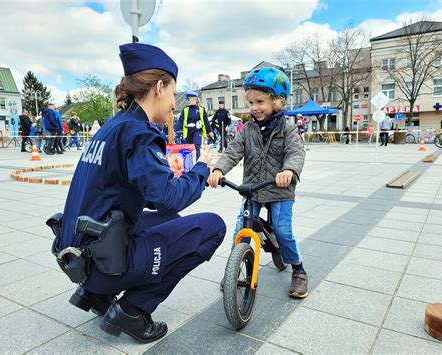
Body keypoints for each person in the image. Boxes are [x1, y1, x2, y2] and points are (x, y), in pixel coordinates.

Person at [55, 43, 225, 343]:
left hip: (79, 254)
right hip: (102, 261)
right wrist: (200, 169)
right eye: (173, 93)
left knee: (169, 218)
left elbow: (135, 191)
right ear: (159, 88)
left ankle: (94, 295)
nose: (175, 103)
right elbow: (168, 196)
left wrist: (168, 177)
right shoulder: (139, 133)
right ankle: (133, 310)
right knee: (211, 227)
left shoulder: (113, 128)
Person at [208, 67, 307, 299]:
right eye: (251, 102)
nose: (254, 107)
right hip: (253, 189)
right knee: (240, 230)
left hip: (279, 188)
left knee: (283, 231)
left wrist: (289, 170)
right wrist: (219, 168)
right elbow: (233, 151)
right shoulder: (248, 129)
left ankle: (298, 269)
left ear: (278, 100)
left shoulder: (288, 128)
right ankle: (234, 270)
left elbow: (296, 153)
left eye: (260, 101)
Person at [176, 92, 214, 159]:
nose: (193, 100)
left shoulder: (201, 109)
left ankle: (197, 162)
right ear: (189, 100)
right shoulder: (185, 110)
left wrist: (210, 131)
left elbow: (206, 121)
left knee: (197, 145)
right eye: (192, 99)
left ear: (196, 100)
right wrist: (175, 130)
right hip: (188, 132)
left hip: (198, 131)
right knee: (189, 148)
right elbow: (180, 121)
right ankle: (189, 164)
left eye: (194, 99)